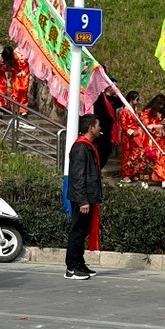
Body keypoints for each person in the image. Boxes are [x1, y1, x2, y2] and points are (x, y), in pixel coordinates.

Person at [65, 112, 103, 279]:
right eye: (98, 125)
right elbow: (78, 176)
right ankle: (72, 267)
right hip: (82, 198)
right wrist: (82, 200)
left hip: (87, 197)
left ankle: (79, 263)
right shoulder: (81, 147)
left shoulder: (88, 146)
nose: (100, 128)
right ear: (91, 128)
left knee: (82, 231)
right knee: (77, 231)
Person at [141, 94, 165, 184]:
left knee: (162, 159)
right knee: (149, 159)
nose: (161, 107)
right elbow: (146, 125)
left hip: (161, 140)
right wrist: (159, 125)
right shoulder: (147, 112)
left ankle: (164, 179)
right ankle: (147, 179)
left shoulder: (163, 113)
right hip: (151, 140)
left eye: (163, 105)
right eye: (160, 104)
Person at [0, 43, 30, 115]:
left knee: (22, 90)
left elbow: (11, 68)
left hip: (13, 75)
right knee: (0, 91)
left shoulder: (14, 58)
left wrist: (13, 71)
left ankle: (21, 109)